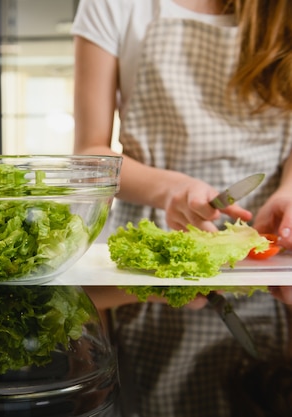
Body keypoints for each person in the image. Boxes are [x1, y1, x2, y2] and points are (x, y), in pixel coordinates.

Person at [72, 0, 292, 415]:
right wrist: (169, 190)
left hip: (269, 248)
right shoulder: (113, 6)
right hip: (155, 244)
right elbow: (90, 154)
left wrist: (290, 191)